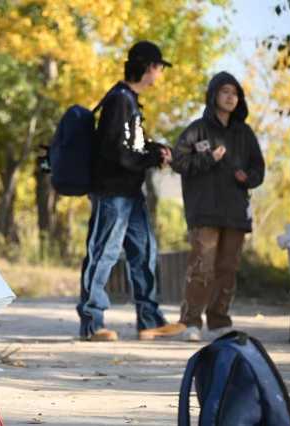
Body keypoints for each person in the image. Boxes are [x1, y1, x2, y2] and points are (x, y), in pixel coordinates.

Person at [77, 41, 186, 341]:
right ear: (149, 67)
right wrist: (152, 158)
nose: (160, 73)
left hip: (131, 193)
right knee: (103, 255)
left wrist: (155, 150)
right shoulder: (118, 101)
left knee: (144, 254)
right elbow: (116, 152)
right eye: (159, 67)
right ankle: (91, 323)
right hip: (112, 193)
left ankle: (149, 321)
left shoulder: (131, 102)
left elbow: (131, 147)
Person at [171, 71, 265, 342]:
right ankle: (191, 321)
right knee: (202, 267)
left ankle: (218, 321)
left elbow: (258, 167)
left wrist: (249, 178)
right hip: (204, 211)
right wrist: (209, 159)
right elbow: (179, 162)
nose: (230, 97)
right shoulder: (197, 130)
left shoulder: (244, 133)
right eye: (225, 91)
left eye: (235, 93)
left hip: (235, 212)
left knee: (227, 269)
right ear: (213, 95)